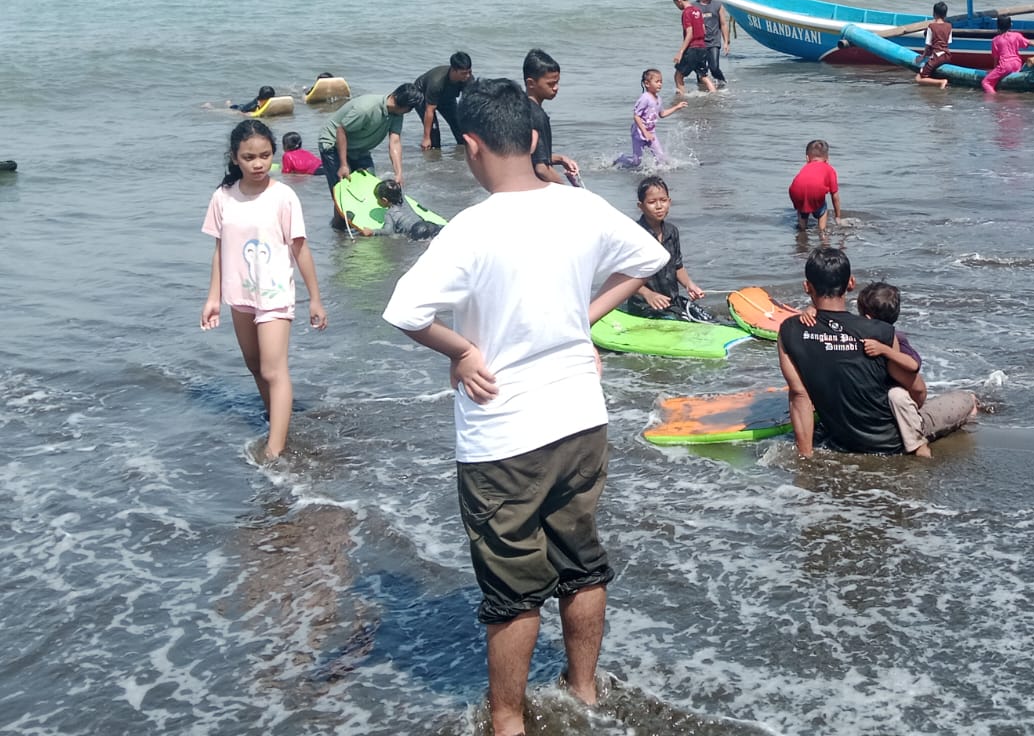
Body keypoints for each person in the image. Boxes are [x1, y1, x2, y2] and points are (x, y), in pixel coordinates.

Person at [381, 78, 667, 728]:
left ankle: (508, 720)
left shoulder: (470, 228)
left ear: (472, 146)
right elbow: (648, 258)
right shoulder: (580, 205)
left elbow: (404, 311)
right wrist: (582, 320)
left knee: (511, 590)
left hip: (503, 436)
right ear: (534, 137)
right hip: (581, 420)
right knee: (581, 559)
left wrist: (461, 352)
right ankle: (585, 690)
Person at [200, 119, 326, 459]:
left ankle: (274, 449)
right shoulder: (222, 197)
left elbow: (300, 248)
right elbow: (219, 250)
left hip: (274, 295)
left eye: (265, 156)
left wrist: (315, 298)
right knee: (255, 366)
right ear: (234, 158)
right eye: (249, 157)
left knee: (274, 369)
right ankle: (278, 419)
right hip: (238, 296)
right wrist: (213, 298)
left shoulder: (283, 196)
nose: (258, 164)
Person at [777, 248, 976, 458]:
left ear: (807, 287)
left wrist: (805, 458)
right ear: (851, 284)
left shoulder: (790, 331)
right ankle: (971, 406)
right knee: (965, 398)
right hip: (893, 439)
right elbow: (918, 390)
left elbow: (800, 396)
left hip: (841, 439)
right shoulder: (880, 332)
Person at [317, 85, 422, 227]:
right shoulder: (366, 109)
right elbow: (341, 130)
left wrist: (399, 173)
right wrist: (343, 164)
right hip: (333, 144)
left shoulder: (397, 114)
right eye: (411, 109)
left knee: (373, 190)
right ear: (405, 106)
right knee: (343, 193)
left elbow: (395, 142)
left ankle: (373, 228)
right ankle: (339, 231)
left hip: (360, 148)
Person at [624, 176, 711, 321]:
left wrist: (689, 285)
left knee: (708, 319)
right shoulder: (634, 235)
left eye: (663, 200)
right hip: (645, 305)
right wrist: (648, 294)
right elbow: (623, 275)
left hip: (671, 301)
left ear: (669, 202)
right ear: (641, 206)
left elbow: (677, 266)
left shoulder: (672, 231)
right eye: (652, 202)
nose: (659, 206)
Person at [523, 48, 582, 186]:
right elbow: (541, 169)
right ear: (531, 83)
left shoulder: (521, 108)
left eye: (557, 82)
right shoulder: (537, 115)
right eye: (551, 84)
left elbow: (531, 157)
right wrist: (565, 189)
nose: (556, 88)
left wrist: (561, 159)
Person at [615, 68, 685, 169]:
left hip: (651, 133)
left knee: (661, 157)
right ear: (647, 83)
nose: (660, 84)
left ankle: (657, 173)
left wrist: (676, 107)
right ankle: (621, 159)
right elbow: (636, 116)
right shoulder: (645, 98)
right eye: (657, 82)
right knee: (636, 162)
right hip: (638, 134)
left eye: (661, 82)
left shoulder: (658, 99)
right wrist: (644, 132)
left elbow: (662, 114)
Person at [415, 52, 474, 150]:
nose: (467, 76)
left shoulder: (468, 79)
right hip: (423, 97)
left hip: (447, 98)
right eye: (463, 73)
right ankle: (432, 161)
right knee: (434, 137)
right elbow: (429, 110)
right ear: (453, 70)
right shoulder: (436, 82)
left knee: (461, 132)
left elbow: (469, 105)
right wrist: (426, 138)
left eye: (469, 72)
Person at [981, 14, 1034, 95]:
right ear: (1010, 25)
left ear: (997, 26)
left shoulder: (995, 40)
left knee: (986, 82)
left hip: (1005, 66)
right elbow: (1030, 42)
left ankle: (995, 98)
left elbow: (996, 58)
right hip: (1017, 64)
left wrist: (995, 70)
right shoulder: (1016, 36)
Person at [789, 139, 841, 236]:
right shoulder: (829, 169)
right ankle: (822, 233)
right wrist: (837, 216)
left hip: (795, 190)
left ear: (807, 158)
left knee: (802, 207)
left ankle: (802, 228)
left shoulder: (805, 167)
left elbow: (802, 182)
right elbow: (835, 196)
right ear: (827, 159)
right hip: (815, 190)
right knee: (822, 209)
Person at [671, 0, 716, 94]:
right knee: (703, 75)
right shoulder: (697, 10)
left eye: (676, 4)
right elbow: (704, 30)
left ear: (679, 0)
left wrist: (681, 52)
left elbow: (690, 33)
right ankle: (715, 94)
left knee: (678, 75)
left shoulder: (686, 13)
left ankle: (681, 99)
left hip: (692, 48)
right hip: (702, 47)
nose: (677, 6)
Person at [694, 0, 731, 87]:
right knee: (701, 71)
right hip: (700, 43)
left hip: (714, 42)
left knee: (714, 67)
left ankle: (723, 84)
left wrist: (726, 42)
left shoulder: (718, 5)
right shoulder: (694, 6)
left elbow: (723, 24)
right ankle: (702, 90)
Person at [913, 1, 953, 89]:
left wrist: (922, 56)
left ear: (934, 14)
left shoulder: (931, 27)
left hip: (937, 56)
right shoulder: (949, 26)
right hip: (947, 56)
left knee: (919, 78)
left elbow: (928, 45)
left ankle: (941, 82)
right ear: (945, 15)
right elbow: (947, 43)